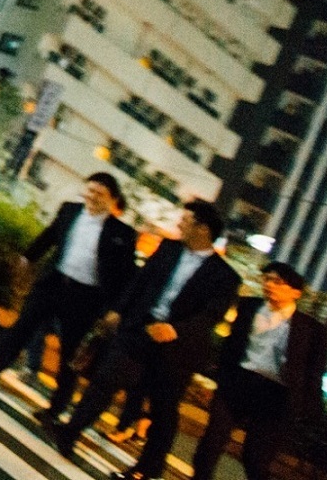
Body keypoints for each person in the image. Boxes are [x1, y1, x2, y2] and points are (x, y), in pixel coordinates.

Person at [56, 199, 239, 480]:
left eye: (186, 221)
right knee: (105, 380)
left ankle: (148, 467)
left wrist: (175, 329)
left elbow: (210, 316)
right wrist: (118, 310)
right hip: (140, 330)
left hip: (176, 349)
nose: (179, 225)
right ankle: (70, 432)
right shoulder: (168, 248)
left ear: (203, 229)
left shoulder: (225, 275)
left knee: (163, 409)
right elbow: (140, 282)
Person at [0, 171, 137, 421]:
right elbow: (49, 236)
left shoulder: (121, 233)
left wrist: (116, 308)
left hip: (85, 296)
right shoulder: (70, 210)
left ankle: (56, 408)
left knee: (70, 353)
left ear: (112, 200)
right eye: (89, 190)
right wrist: (27, 257)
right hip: (54, 281)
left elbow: (126, 275)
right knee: (22, 328)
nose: (92, 197)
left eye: (100, 194)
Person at [189, 261, 327, 480]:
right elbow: (231, 346)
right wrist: (220, 378)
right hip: (238, 383)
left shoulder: (311, 329)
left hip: (275, 394)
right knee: (211, 442)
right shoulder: (248, 307)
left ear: (295, 292)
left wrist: (309, 409)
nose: (269, 285)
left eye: (277, 282)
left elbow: (313, 373)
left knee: (255, 457)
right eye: (267, 279)